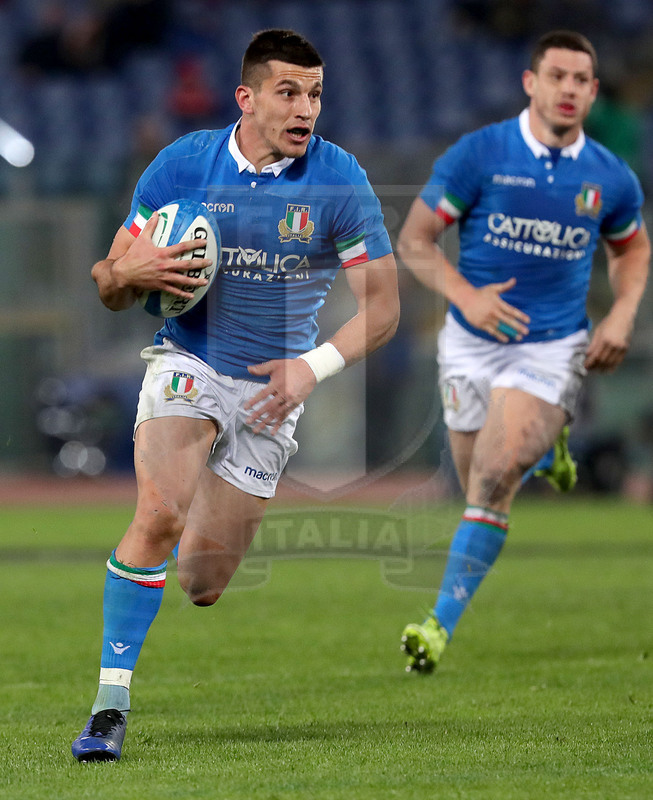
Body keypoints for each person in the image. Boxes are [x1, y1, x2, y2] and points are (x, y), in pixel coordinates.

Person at [71, 28, 399, 761]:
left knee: (203, 580)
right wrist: (133, 273)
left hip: (271, 395)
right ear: (246, 98)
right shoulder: (182, 164)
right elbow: (107, 282)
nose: (305, 108)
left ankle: (177, 537)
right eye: (288, 91)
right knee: (157, 512)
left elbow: (383, 310)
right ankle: (108, 706)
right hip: (190, 362)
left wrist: (310, 368)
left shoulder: (338, 180)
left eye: (314, 93)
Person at [397, 30, 650, 674]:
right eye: (557, 76)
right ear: (530, 83)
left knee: (492, 471)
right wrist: (466, 295)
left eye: (581, 80)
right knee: (481, 485)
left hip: (551, 348)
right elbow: (418, 240)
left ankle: (436, 627)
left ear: (593, 93)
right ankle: (550, 452)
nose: (569, 89)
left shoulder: (609, 177)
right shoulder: (480, 154)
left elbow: (633, 249)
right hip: (469, 347)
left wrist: (620, 314)